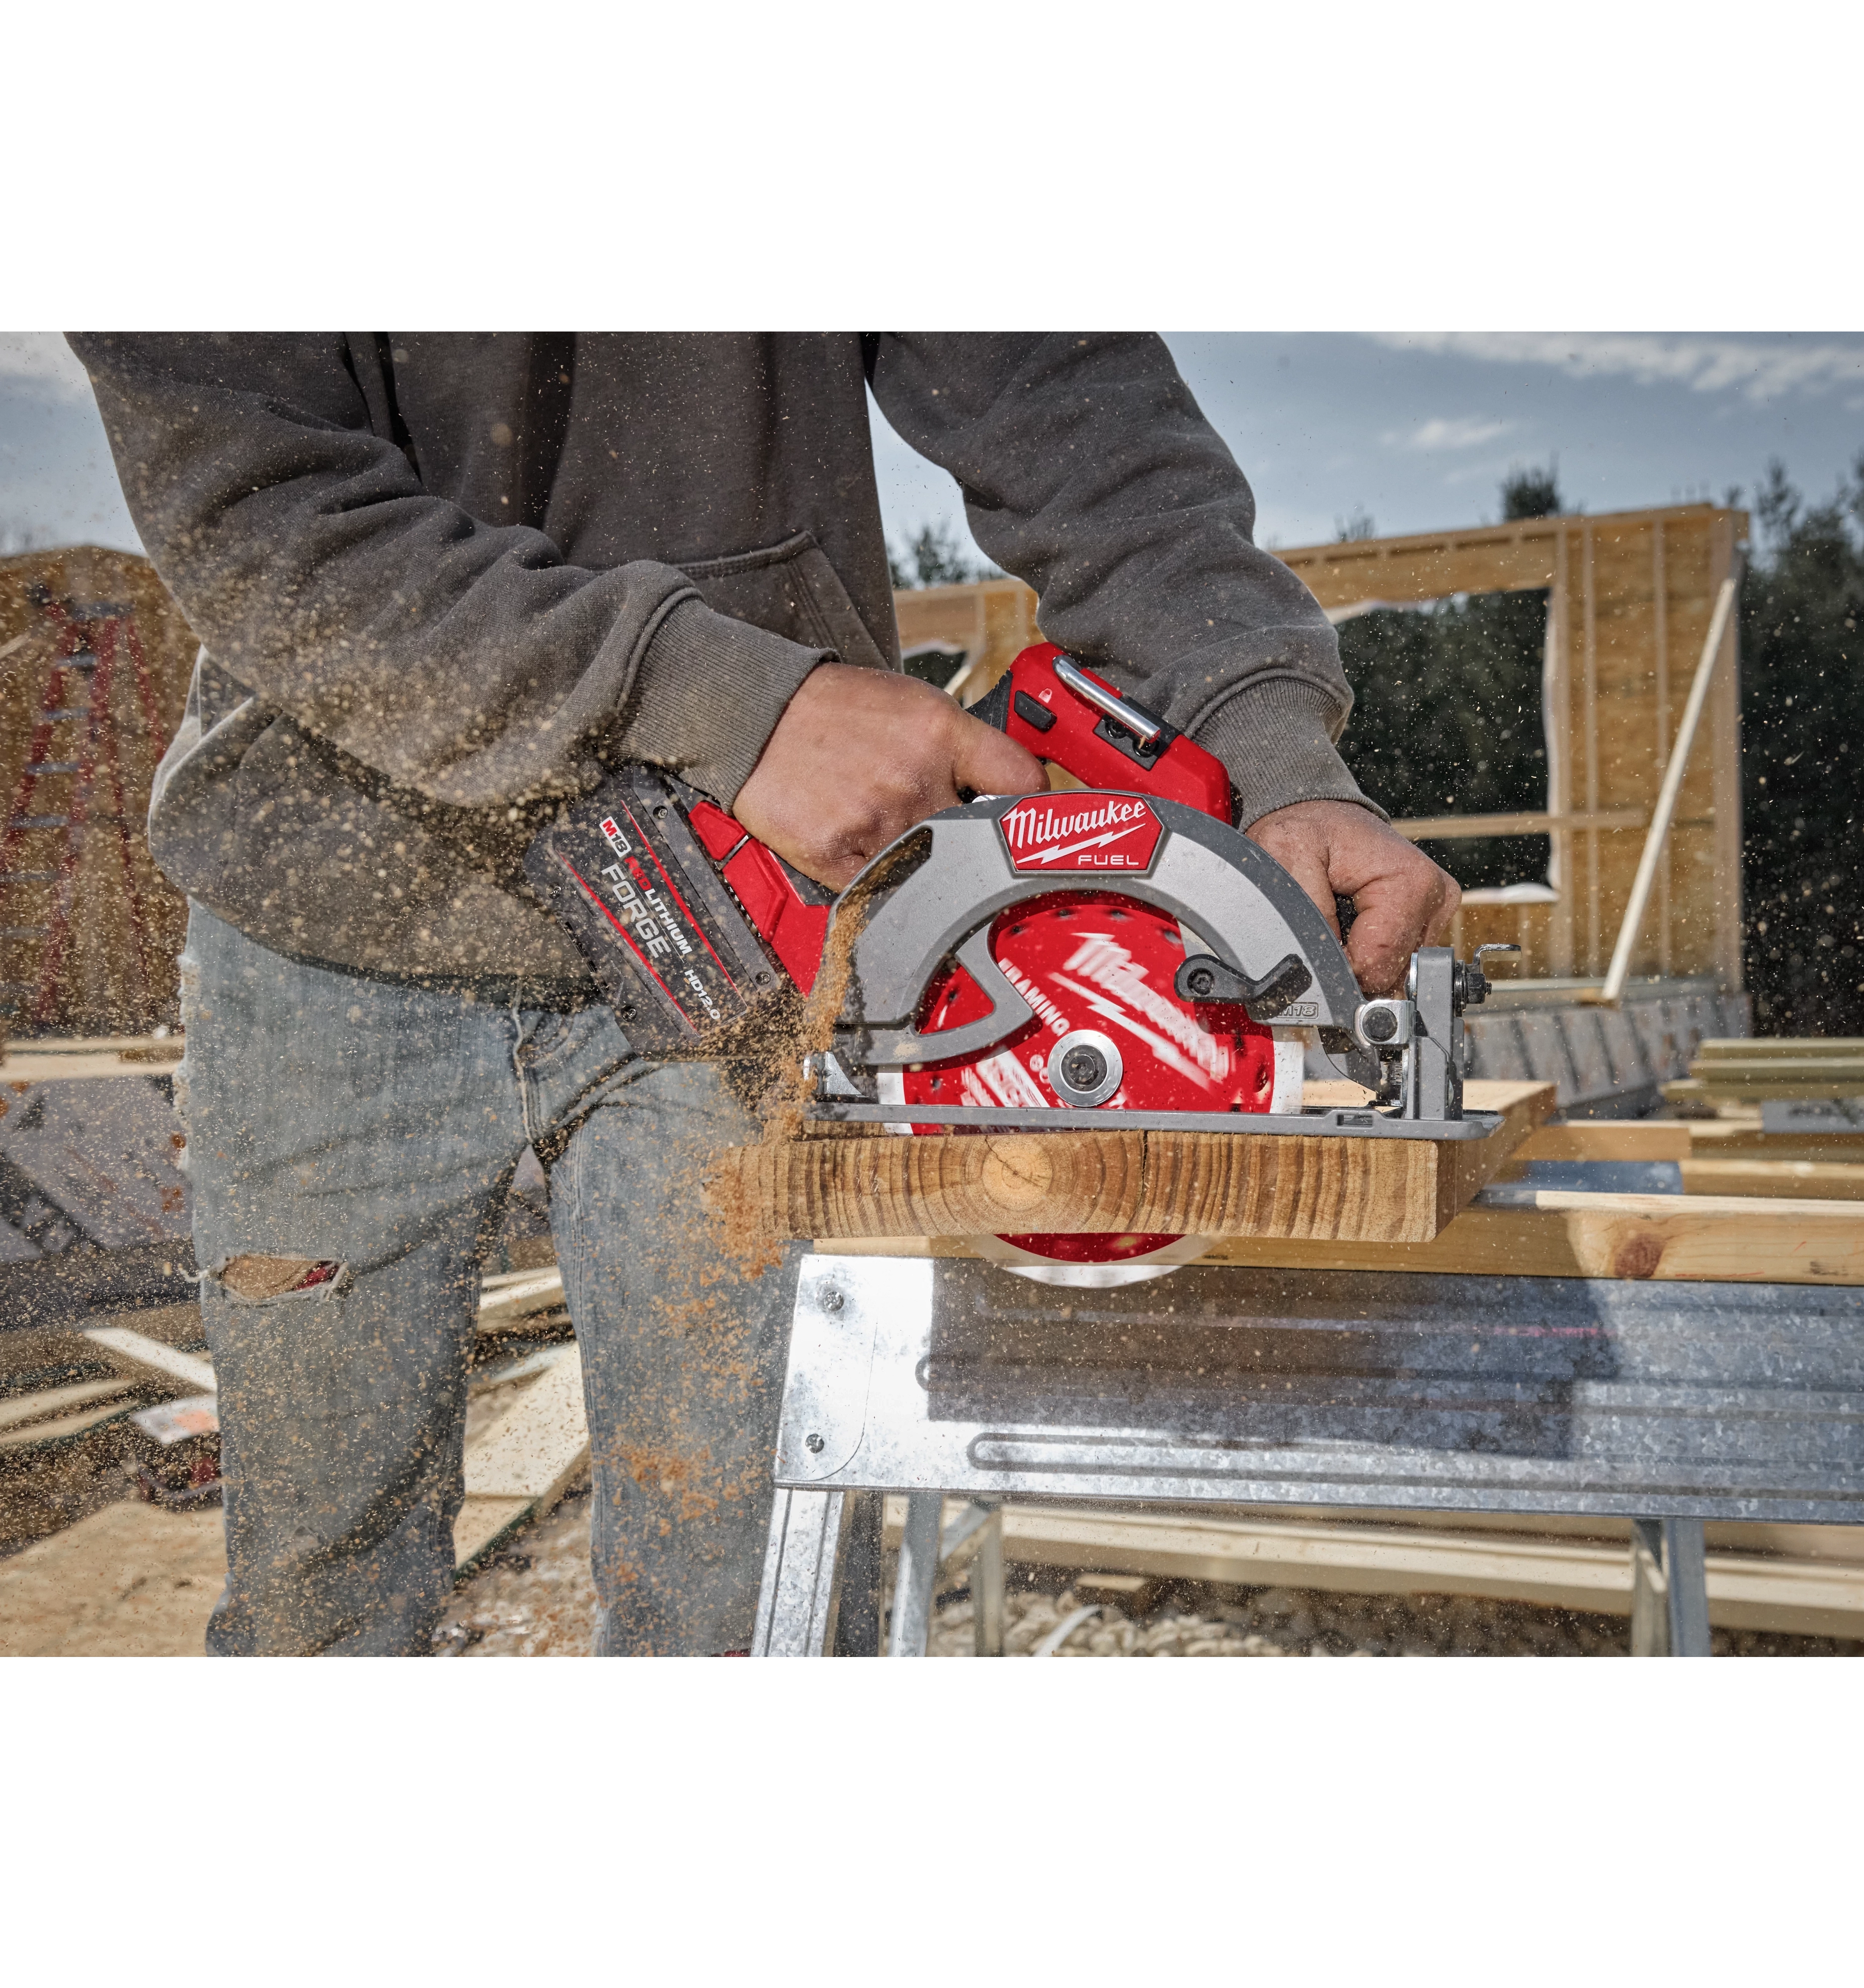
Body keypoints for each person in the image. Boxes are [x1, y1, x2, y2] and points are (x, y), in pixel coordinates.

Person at [67, 331, 1459, 1656]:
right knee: (320, 1593)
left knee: (757, 1586)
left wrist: (1272, 752)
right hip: (335, 915)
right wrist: (733, 696)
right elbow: (265, 511)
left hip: (745, 926)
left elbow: (1069, 400)